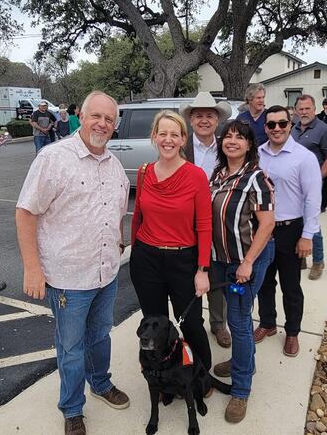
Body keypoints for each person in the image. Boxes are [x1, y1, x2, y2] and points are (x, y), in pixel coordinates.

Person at [15, 91, 131, 435]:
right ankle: (72, 409)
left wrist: (119, 239)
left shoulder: (113, 164)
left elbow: (117, 208)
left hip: (105, 272)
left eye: (109, 119)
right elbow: (25, 213)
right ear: (80, 115)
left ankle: (101, 383)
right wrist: (32, 268)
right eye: (96, 116)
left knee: (101, 336)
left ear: (115, 125)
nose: (102, 124)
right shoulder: (54, 158)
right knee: (71, 347)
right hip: (68, 278)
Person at [129, 110, 214, 382]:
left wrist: (203, 269)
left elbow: (204, 225)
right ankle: (162, 375)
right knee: (155, 325)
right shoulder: (144, 173)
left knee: (191, 323)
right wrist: (134, 252)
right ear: (154, 137)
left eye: (174, 134)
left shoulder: (196, 176)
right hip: (147, 260)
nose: (168, 140)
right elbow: (138, 218)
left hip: (183, 261)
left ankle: (202, 374)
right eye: (162, 133)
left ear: (183, 140)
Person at [207, 119, 275, 423]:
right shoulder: (218, 174)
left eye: (239, 137)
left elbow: (268, 224)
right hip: (222, 259)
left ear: (250, 145)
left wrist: (247, 262)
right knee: (238, 317)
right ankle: (241, 361)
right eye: (228, 136)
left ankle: (241, 388)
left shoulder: (257, 178)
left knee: (239, 319)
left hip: (247, 259)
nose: (232, 141)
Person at [254, 105, 322, 357]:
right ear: (266, 127)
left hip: (290, 229)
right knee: (263, 282)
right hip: (262, 229)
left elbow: (313, 199)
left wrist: (307, 235)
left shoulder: (304, 157)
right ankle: (268, 323)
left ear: (290, 125)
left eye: (282, 123)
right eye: (271, 125)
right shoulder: (258, 154)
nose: (277, 129)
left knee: (291, 285)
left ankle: (292, 332)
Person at [180, 91, 233, 348]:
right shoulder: (179, 146)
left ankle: (218, 324)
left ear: (217, 120)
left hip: (218, 220)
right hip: (186, 222)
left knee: (217, 272)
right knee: (189, 272)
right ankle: (192, 324)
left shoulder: (228, 145)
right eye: (198, 115)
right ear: (190, 120)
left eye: (209, 115)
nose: (204, 120)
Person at [292, 95, 327, 281]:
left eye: (307, 109)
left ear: (314, 109)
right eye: (300, 109)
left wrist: (315, 179)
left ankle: (318, 261)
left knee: (312, 224)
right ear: (296, 110)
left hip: (310, 186)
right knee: (296, 222)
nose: (304, 112)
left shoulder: (323, 130)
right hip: (293, 186)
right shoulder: (293, 128)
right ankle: (301, 257)